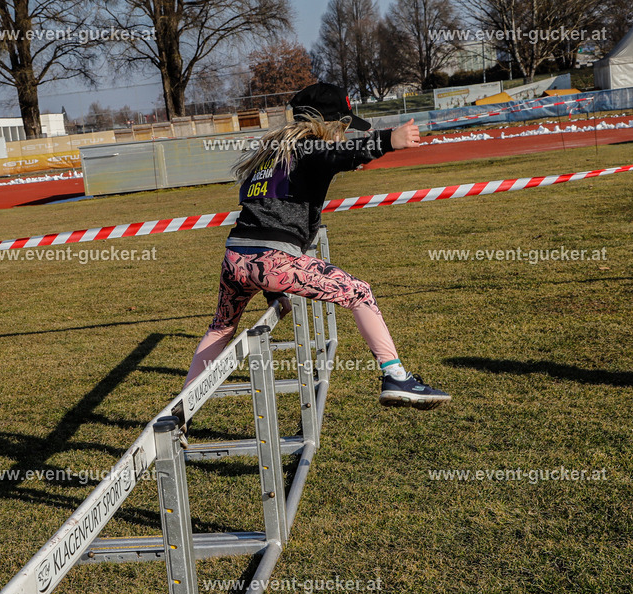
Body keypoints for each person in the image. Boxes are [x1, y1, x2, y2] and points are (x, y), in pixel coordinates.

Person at [184, 82, 450, 409]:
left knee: (220, 328)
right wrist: (387, 141)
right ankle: (395, 375)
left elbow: (264, 211)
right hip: (274, 261)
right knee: (359, 292)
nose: (343, 134)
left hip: (235, 259)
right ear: (329, 124)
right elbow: (338, 156)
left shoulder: (271, 156)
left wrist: (271, 291)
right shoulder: (309, 149)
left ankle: (183, 408)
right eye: (344, 127)